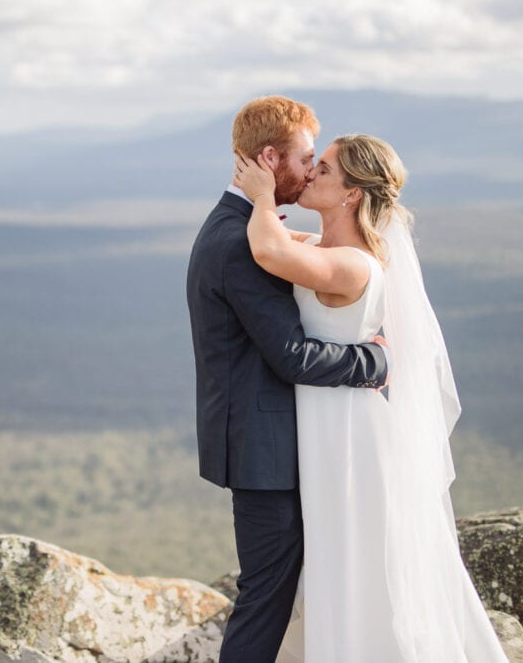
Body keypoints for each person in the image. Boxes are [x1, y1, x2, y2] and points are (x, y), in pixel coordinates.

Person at [233, 134, 508, 661]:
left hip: (346, 434)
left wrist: (262, 194)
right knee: (340, 557)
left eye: (326, 170)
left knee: (353, 560)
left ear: (352, 194)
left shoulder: (355, 265)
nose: (311, 173)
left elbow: (268, 249)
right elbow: (287, 248)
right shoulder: (327, 248)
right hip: (328, 424)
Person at [186, 96, 389, 663]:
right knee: (266, 598)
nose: (309, 171)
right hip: (266, 454)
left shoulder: (246, 228)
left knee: (291, 589)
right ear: (270, 158)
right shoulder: (242, 244)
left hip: (289, 445)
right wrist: (377, 363)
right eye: (305, 159)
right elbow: (294, 358)